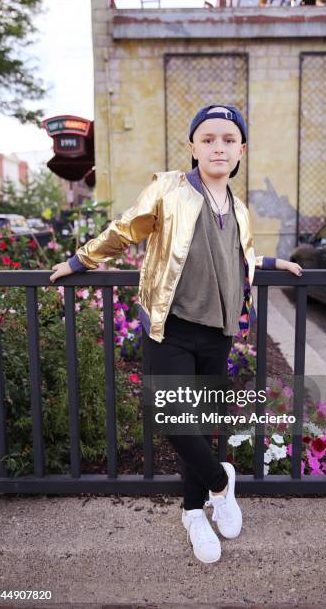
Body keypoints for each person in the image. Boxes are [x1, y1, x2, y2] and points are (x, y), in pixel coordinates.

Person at [50, 104, 303, 565]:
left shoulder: (241, 209)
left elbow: (238, 256)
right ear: (193, 147)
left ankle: (192, 512)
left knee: (200, 426)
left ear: (241, 149)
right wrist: (78, 261)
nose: (218, 147)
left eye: (228, 139)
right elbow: (125, 230)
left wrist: (271, 263)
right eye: (208, 139)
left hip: (219, 334)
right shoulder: (169, 188)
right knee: (173, 420)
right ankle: (221, 483)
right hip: (171, 329)